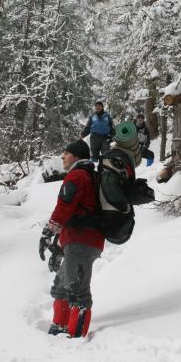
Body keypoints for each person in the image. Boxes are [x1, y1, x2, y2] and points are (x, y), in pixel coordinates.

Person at [39, 139, 104, 337]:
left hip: (82, 242)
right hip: (76, 241)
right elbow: (73, 212)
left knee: (78, 290)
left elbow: (64, 208)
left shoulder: (77, 176)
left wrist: (48, 232)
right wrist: (58, 246)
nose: (62, 157)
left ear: (76, 156)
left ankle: (75, 337)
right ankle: (59, 327)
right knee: (61, 287)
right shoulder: (85, 176)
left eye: (65, 153)